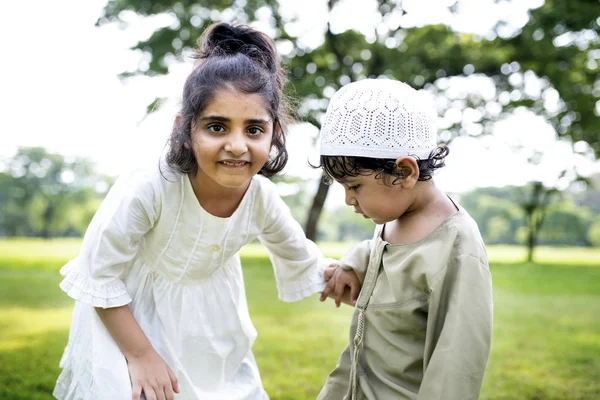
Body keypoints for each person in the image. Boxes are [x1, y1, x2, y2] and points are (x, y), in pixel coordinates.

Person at [53, 22, 358, 400]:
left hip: (211, 332)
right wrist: (142, 355)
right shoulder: (150, 187)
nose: (236, 145)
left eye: (253, 130)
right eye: (217, 127)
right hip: (130, 322)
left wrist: (342, 276)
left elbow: (302, 256)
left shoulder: (260, 197)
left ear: (274, 133)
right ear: (186, 128)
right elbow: (99, 275)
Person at [317, 79, 493, 400]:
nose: (348, 200)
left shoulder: (457, 248)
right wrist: (354, 264)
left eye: (354, 186)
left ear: (405, 172)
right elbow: (385, 253)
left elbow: (457, 364)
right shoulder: (396, 215)